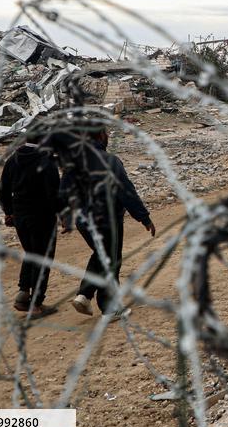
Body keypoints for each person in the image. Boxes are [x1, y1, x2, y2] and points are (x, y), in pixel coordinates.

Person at [61, 127, 156, 319]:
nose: (109, 137)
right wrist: (144, 217)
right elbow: (126, 191)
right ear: (101, 136)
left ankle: (86, 295)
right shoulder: (111, 161)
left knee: (101, 255)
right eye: (107, 134)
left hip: (83, 221)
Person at [0, 134, 62, 317]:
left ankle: (23, 293)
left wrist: (9, 212)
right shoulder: (46, 161)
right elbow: (54, 194)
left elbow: (3, 189)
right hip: (43, 217)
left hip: (20, 216)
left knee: (31, 253)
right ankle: (36, 304)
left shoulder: (14, 159)